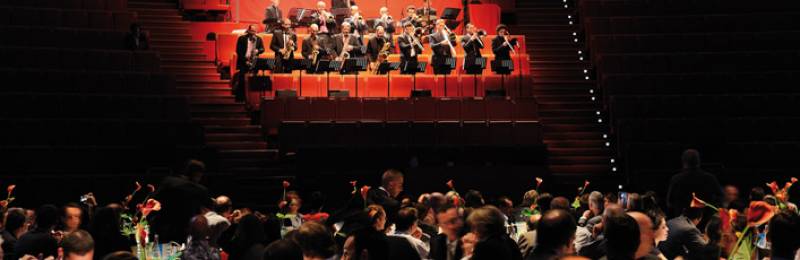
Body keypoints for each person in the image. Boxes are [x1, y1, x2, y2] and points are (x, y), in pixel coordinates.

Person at [151, 159, 211, 243]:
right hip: (184, 231)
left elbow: (154, 200)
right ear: (198, 174)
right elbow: (203, 211)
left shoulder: (168, 181)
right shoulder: (200, 190)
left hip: (162, 227)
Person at [666, 149, 723, 216]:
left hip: (683, 219)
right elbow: (720, 197)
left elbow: (669, 202)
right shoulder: (710, 178)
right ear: (699, 161)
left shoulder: (676, 179)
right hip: (705, 219)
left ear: (683, 162)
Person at [233, 24, 264, 101]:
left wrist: (258, 50)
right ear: (249, 30)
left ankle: (252, 99)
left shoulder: (259, 39)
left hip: (254, 62)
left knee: (253, 81)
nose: (254, 33)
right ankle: (241, 99)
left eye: (255, 31)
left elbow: (262, 49)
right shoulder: (241, 38)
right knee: (242, 81)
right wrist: (245, 61)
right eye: (252, 31)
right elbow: (238, 51)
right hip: (244, 62)